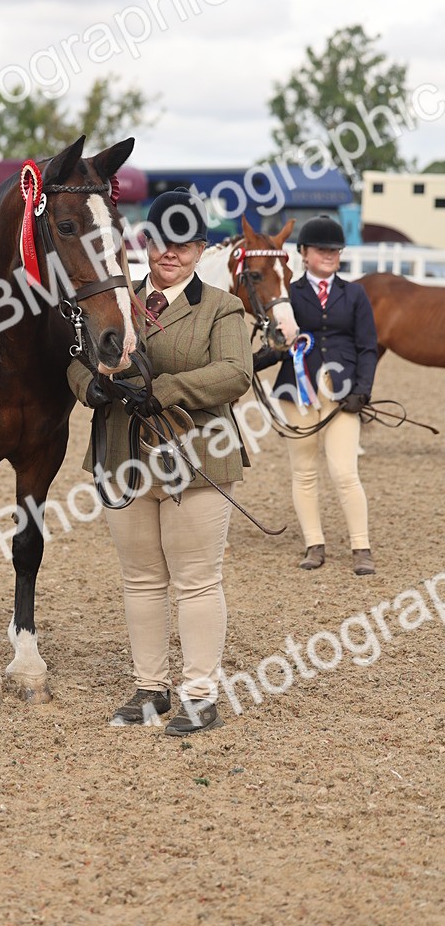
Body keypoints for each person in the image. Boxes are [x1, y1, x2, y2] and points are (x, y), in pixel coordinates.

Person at [67, 187, 252, 734]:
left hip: (196, 457)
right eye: (161, 243)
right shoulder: (113, 298)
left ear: (200, 250)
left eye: (184, 246)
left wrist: (167, 389)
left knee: (196, 579)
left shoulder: (222, 306)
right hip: (123, 453)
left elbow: (235, 373)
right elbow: (76, 360)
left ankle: (199, 694)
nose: (170, 255)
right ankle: (150, 688)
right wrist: (88, 388)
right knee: (141, 578)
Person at [253, 215, 379, 576]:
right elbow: (280, 345)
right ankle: (314, 543)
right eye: (322, 249)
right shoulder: (289, 293)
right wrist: (247, 365)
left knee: (344, 472)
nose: (330, 254)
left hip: (342, 397)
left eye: (335, 250)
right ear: (304, 253)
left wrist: (363, 391)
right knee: (304, 471)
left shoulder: (354, 294)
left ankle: (361, 546)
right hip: (297, 391)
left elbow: (367, 347)